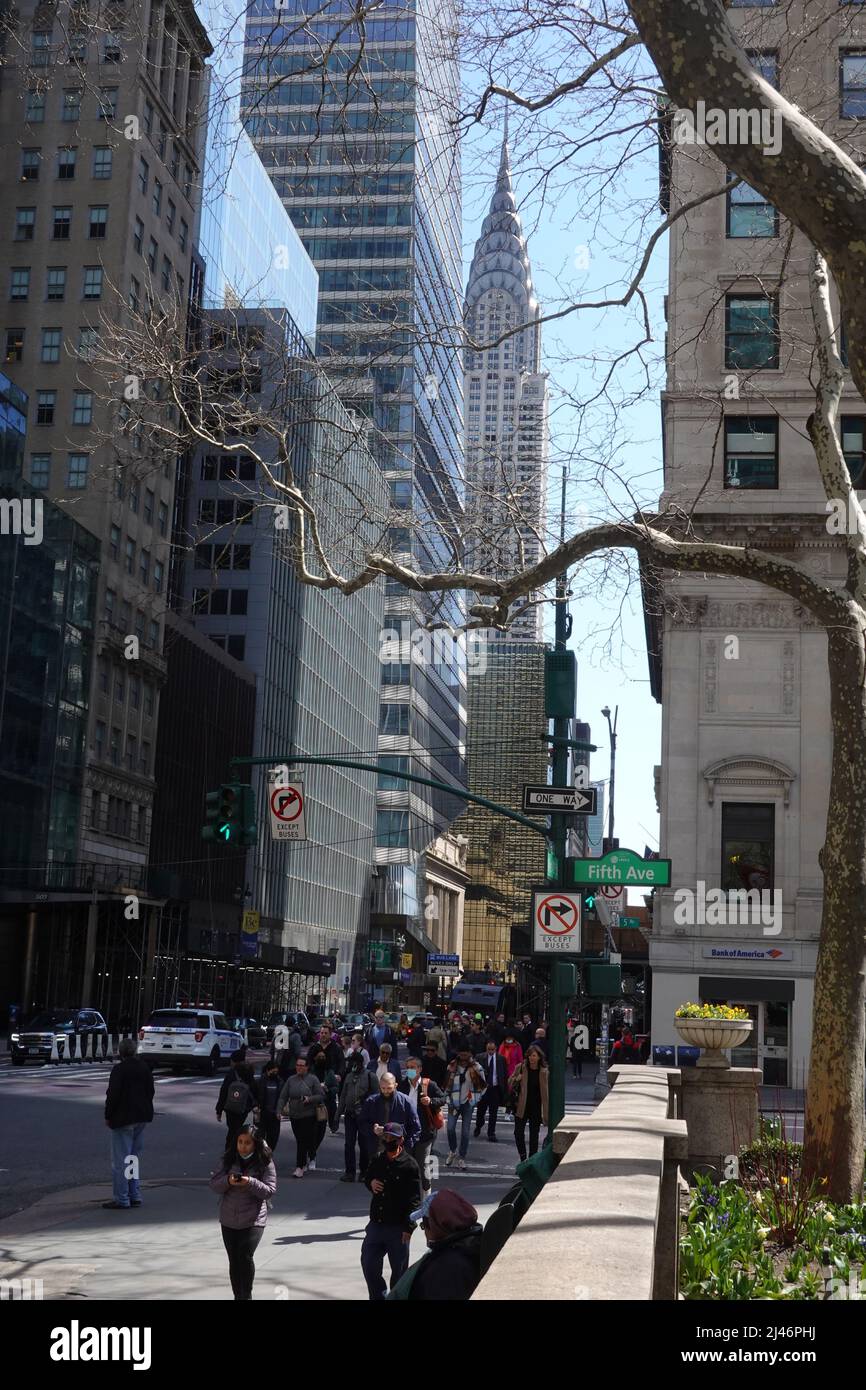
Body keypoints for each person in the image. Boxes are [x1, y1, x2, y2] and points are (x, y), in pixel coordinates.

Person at [209, 1122, 276, 1301]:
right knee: (234, 1259)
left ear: (255, 1144)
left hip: (253, 1219)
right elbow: (214, 1184)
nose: (243, 1146)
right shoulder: (228, 1159)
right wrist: (228, 1181)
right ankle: (237, 1296)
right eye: (240, 1142)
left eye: (247, 1143)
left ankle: (246, 1295)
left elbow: (270, 1190)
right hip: (229, 1217)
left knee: (245, 1256)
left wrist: (250, 1182)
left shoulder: (265, 1162)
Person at [361, 1123, 421, 1300]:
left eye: (392, 1139)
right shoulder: (378, 1159)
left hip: (398, 1229)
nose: (388, 1141)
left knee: (400, 1274)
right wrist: (371, 1183)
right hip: (376, 1225)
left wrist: (409, 1227)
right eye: (385, 1138)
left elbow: (415, 1200)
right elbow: (367, 1177)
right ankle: (379, 1296)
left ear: (400, 1140)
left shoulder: (410, 1165)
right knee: (369, 1263)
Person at [401, 1190, 484, 1301]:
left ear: (434, 1225)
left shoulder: (446, 1268)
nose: (425, 1232)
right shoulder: (471, 1243)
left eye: (423, 1226)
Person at [103, 1037, 155, 1209]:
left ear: (121, 1052)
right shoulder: (144, 1067)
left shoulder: (119, 1070)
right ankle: (135, 1194)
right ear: (134, 1051)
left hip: (123, 1117)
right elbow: (150, 1091)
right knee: (133, 1158)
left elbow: (113, 1095)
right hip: (141, 1116)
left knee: (120, 1160)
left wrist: (108, 1115)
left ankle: (122, 1198)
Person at [398, 1055, 445, 1192]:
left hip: (425, 1134)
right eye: (407, 1068)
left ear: (420, 1069)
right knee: (407, 1167)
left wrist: (431, 1101)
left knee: (424, 1169)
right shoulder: (402, 1086)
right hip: (407, 1134)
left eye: (412, 1067)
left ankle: (427, 1201)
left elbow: (443, 1099)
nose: (409, 1070)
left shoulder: (429, 1085)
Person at [278, 1055, 325, 1177]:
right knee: (300, 1139)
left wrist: (309, 1099)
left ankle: (299, 1166)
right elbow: (283, 1096)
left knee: (302, 1141)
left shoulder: (313, 1079)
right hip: (294, 1115)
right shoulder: (291, 1080)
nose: (299, 1068)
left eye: (301, 1065)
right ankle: (305, 1161)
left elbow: (321, 1095)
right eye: (297, 1065)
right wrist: (279, 1110)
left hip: (308, 1115)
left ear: (307, 1067)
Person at [360, 1072, 421, 1157]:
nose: (385, 1091)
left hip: (399, 1151)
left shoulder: (406, 1102)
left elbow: (415, 1128)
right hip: (376, 1149)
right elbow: (362, 1123)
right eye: (383, 1088)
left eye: (389, 1088)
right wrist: (373, 1129)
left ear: (395, 1085)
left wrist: (407, 1148)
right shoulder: (371, 1102)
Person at [338, 1050, 378, 1182]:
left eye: (353, 1062)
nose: (351, 1065)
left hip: (364, 1117)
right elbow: (343, 1096)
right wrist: (337, 1115)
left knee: (364, 1144)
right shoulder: (349, 1076)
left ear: (360, 1063)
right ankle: (349, 1172)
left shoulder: (369, 1076)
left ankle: (364, 1172)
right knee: (349, 1144)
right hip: (350, 1115)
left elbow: (376, 1097)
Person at [444, 1046, 486, 1170]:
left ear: (470, 1053)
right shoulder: (452, 1066)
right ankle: (452, 1151)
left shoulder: (476, 1067)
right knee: (450, 1128)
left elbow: (483, 1086)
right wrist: (447, 1099)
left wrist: (474, 1100)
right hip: (453, 1102)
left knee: (466, 1133)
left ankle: (461, 1157)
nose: (463, 1055)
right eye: (461, 1052)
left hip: (468, 1103)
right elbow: (446, 1085)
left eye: (465, 1052)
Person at [511, 1044, 549, 1161]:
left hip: (536, 1107)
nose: (531, 1058)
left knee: (534, 1135)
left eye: (534, 1056)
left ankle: (532, 1160)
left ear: (539, 1057)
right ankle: (523, 1157)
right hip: (522, 1105)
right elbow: (510, 1082)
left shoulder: (544, 1071)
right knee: (518, 1133)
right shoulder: (521, 1067)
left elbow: (548, 1091)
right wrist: (516, 1079)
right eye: (529, 1056)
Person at [216, 1057, 257, 1146]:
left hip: (230, 1107)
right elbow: (254, 1091)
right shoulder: (249, 1075)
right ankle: (235, 1150)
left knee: (232, 1129)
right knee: (237, 1128)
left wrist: (219, 1110)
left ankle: (230, 1151)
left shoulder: (231, 1075)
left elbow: (224, 1091)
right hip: (243, 1108)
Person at [474, 1038, 508, 1141]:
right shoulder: (480, 1057)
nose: (490, 1051)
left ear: (496, 1049)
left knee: (493, 1112)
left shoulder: (501, 1059)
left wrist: (504, 1088)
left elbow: (503, 1074)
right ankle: (479, 1125)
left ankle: (491, 1133)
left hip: (495, 1088)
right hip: (483, 1088)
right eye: (489, 1049)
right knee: (481, 1110)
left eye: (492, 1049)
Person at [255, 1058, 283, 1153]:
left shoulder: (280, 1082)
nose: (275, 1073)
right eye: (273, 1071)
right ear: (267, 1070)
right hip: (262, 1114)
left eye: (276, 1072)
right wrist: (255, 1106)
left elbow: (282, 1097)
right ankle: (260, 1157)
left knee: (273, 1138)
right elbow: (254, 1095)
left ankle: (268, 1155)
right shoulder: (260, 1081)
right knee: (260, 1138)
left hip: (274, 1115)